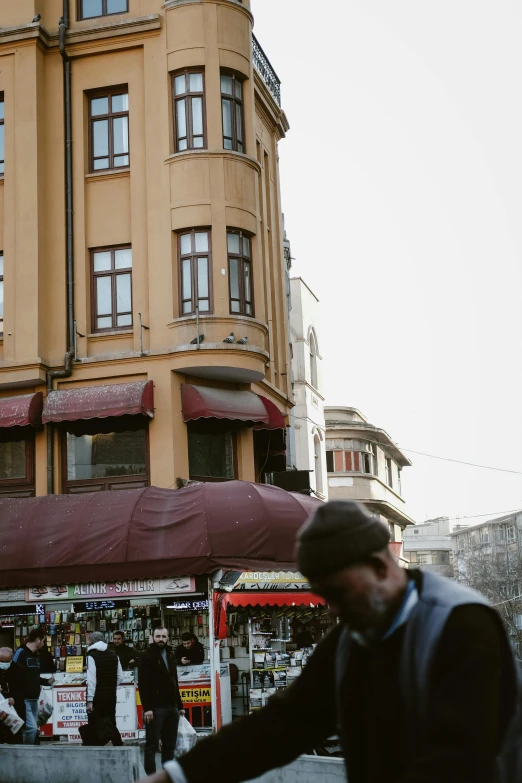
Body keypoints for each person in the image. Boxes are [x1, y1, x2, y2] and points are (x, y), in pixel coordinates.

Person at [138, 500, 517, 783]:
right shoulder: (352, 639)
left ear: (380, 566)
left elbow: (460, 759)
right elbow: (283, 725)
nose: (333, 609)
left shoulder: (461, 623)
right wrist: (178, 775)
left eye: (338, 591)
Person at [138, 627, 185, 776]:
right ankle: (151, 777)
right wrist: (148, 708)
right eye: (158, 636)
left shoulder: (171, 654)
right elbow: (143, 684)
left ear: (168, 638)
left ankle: (167, 776)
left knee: (169, 745)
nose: (161, 639)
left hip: (172, 707)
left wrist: (180, 705)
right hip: (155, 708)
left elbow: (174, 681)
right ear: (153, 638)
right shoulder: (146, 656)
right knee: (151, 745)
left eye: (163, 636)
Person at [13, 628, 54, 744]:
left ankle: (27, 752)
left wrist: (46, 682)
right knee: (31, 728)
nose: (43, 644)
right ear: (37, 640)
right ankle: (26, 751)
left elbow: (34, 677)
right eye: (43, 641)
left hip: (34, 699)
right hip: (24, 699)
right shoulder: (20, 652)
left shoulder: (36, 656)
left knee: (32, 728)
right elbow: (12, 671)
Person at [86, 631, 123, 746]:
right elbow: (120, 677)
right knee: (111, 721)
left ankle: (96, 747)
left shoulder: (91, 656)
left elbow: (91, 680)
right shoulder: (114, 655)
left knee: (95, 723)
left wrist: (89, 700)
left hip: (97, 696)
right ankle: (118, 744)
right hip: (111, 695)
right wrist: (111, 686)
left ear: (92, 641)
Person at [0, 647, 25, 745]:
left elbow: (24, 689)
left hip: (15, 709)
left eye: (5, 661)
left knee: (14, 738)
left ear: (11, 659)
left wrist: (15, 698)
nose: (3, 664)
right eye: (1, 661)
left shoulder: (19, 670)